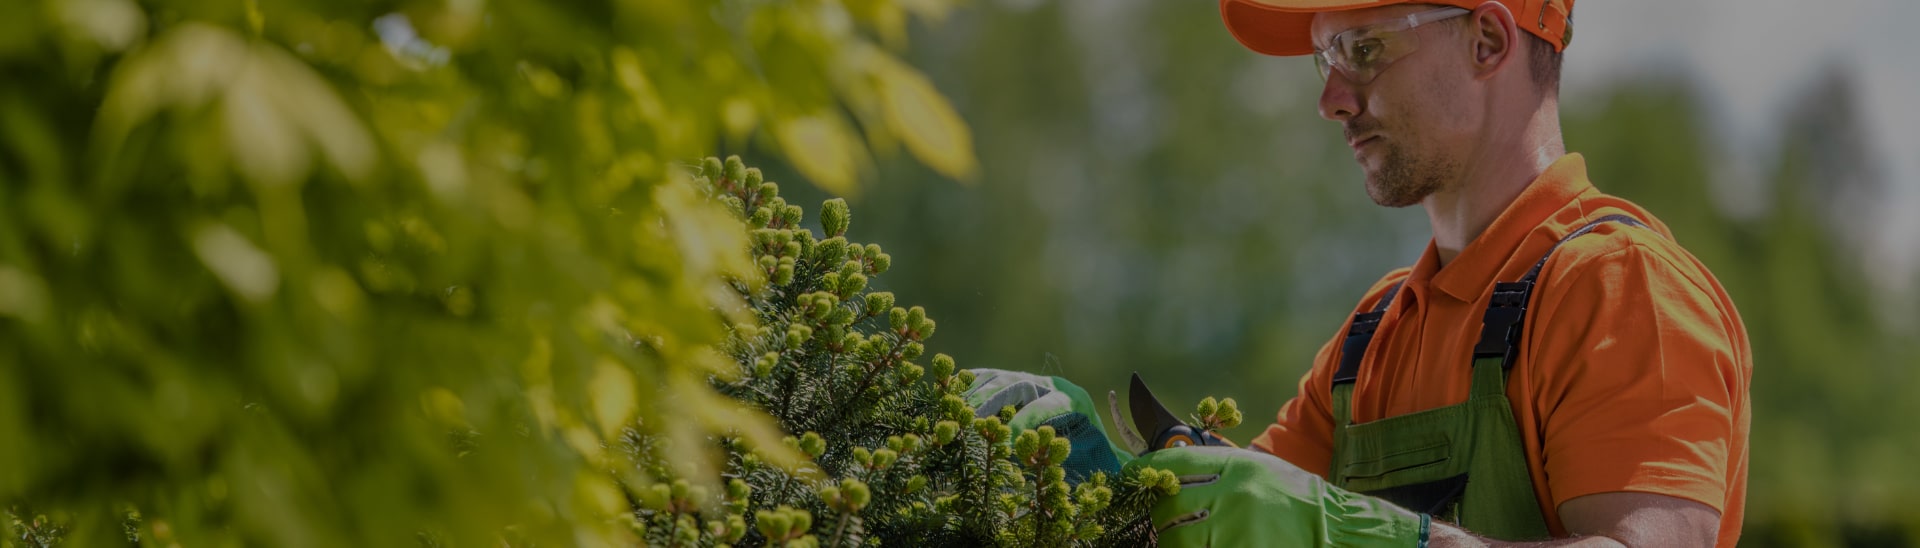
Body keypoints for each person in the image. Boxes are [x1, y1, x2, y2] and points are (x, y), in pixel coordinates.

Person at [965, 0, 1753, 545]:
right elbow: (1240, 524)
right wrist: (1095, 495)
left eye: (1365, 50)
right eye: (1326, 57)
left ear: (1487, 40)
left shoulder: (1620, 288)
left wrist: (1377, 543)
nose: (1332, 99)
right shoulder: (1374, 335)